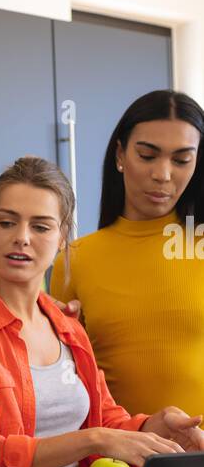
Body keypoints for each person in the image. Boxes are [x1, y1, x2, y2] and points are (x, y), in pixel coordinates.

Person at [0, 156, 204, 467]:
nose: (22, 238)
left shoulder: (69, 329)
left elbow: (104, 419)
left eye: (40, 226)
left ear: (62, 237)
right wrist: (92, 440)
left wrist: (153, 427)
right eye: (7, 222)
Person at [51, 89, 204, 422]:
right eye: (148, 155)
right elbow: (63, 383)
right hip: (118, 463)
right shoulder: (74, 260)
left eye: (181, 160)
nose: (163, 174)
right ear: (120, 154)